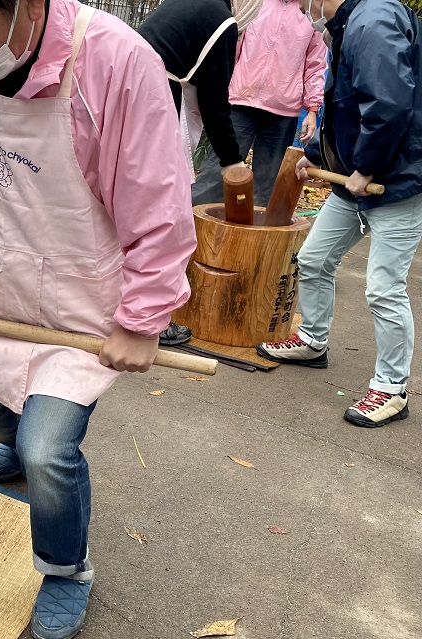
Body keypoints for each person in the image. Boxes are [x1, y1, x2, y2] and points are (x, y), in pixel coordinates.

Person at [0, 0, 196, 636]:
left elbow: (157, 198)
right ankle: (19, 450)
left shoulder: (115, 60)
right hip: (0, 286)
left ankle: (64, 566)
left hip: (84, 304)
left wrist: (142, 317)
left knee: (51, 450)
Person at [256, 0, 422, 428]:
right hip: (354, 180)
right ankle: (312, 341)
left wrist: (366, 166)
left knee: (384, 289)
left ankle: (391, 390)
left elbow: (388, 104)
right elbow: (344, 106)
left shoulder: (373, 19)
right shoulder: (346, 24)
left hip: (396, 180)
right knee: (313, 259)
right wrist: (313, 155)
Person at [138, 0, 262, 346]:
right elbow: (214, 98)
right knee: (165, 220)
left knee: (135, 211)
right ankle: (152, 320)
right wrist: (231, 160)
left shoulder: (188, 4)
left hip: (134, 95)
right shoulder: (220, 20)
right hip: (155, 101)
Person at [191, 0, 328, 208]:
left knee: (267, 184)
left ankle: (253, 235)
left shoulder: (309, 10)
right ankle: (187, 221)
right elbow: (233, 47)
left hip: (283, 110)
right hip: (241, 100)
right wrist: (221, 88)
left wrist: (312, 109)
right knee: (217, 173)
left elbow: (316, 65)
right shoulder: (256, 2)